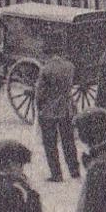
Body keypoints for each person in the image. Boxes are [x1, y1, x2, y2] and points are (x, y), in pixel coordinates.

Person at [35, 53, 80, 182]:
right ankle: (74, 171)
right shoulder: (69, 66)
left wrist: (39, 109)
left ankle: (57, 174)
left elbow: (40, 93)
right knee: (69, 141)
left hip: (49, 111)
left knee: (50, 144)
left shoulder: (46, 69)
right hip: (67, 109)